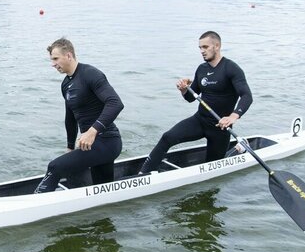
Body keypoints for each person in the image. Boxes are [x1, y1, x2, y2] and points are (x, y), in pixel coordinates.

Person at [138, 31, 253, 174]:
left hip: (220, 127)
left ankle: (238, 149)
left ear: (217, 46)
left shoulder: (231, 69)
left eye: (205, 47)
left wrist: (233, 117)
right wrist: (184, 90)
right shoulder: (201, 69)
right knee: (167, 137)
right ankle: (143, 174)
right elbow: (191, 98)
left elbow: (247, 96)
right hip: (200, 120)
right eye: (200, 48)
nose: (202, 51)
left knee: (211, 169)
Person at [35, 38, 124, 193]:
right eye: (51, 60)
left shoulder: (90, 74)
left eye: (56, 59)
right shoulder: (65, 84)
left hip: (107, 141)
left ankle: (34, 204)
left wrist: (92, 131)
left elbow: (115, 103)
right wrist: (70, 147)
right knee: (103, 190)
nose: (53, 64)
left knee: (55, 166)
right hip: (90, 145)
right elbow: (70, 118)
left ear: (69, 55)